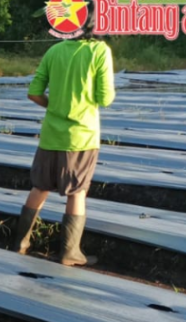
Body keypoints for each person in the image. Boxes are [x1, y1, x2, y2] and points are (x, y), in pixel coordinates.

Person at [13, 31, 115, 266]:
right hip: (81, 136)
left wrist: (55, 105)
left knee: (40, 186)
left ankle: (21, 243)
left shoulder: (54, 50)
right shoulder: (99, 51)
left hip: (50, 135)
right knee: (77, 191)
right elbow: (105, 98)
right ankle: (70, 253)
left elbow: (34, 93)